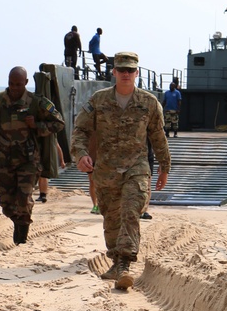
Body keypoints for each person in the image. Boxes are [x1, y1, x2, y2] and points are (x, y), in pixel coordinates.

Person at [71, 51, 170, 289]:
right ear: (114, 72)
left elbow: (158, 136)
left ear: (137, 73)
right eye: (121, 70)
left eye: (130, 70)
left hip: (137, 168)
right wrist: (81, 154)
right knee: (111, 218)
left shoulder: (148, 103)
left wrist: (164, 167)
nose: (126, 74)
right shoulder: (98, 100)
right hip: (106, 171)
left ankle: (125, 264)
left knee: (130, 210)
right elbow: (80, 130)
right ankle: (116, 260)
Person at [0, 66, 65, 245]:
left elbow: (59, 123)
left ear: (25, 83)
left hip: (29, 161)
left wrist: (38, 125)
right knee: (6, 203)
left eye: (18, 84)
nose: (14, 88)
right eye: (11, 84)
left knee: (23, 200)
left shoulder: (36, 103)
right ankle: (19, 223)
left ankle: (21, 241)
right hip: (4, 161)